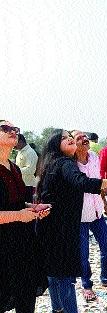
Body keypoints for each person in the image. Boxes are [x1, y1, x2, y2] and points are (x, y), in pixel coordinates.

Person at [37, 129, 107, 313]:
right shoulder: (66, 163)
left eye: (70, 137)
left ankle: (58, 309)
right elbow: (85, 183)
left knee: (55, 274)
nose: (71, 140)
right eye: (65, 138)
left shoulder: (57, 162)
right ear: (54, 144)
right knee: (65, 275)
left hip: (56, 225)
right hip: (61, 228)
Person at [0, 120, 50, 313]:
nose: (13, 132)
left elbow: (17, 202)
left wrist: (34, 208)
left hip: (22, 242)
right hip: (3, 245)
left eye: (15, 129)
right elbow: (15, 211)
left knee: (26, 294)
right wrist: (19, 215)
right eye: (5, 128)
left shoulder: (14, 167)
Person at [72, 130, 107, 302]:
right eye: (79, 138)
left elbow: (100, 184)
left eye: (85, 137)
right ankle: (86, 284)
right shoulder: (70, 163)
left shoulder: (94, 156)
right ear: (73, 143)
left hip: (97, 212)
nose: (84, 140)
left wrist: (104, 204)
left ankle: (106, 277)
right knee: (83, 253)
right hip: (80, 215)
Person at [14, 134, 39, 202]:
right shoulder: (20, 152)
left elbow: (30, 170)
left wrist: (15, 170)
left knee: (27, 208)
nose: (13, 145)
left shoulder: (30, 152)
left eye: (15, 142)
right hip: (20, 184)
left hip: (28, 185)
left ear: (21, 142)